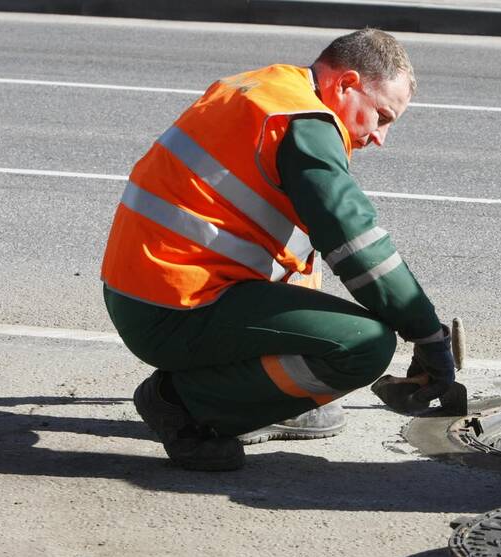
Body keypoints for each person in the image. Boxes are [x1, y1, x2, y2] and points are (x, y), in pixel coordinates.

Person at [101, 28, 455, 471]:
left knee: (310, 279)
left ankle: (262, 398)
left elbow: (306, 246)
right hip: (174, 309)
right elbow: (357, 244)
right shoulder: (304, 123)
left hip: (149, 291)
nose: (380, 137)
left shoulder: (271, 90)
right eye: (381, 116)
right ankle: (181, 405)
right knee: (365, 345)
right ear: (345, 85)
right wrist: (427, 335)